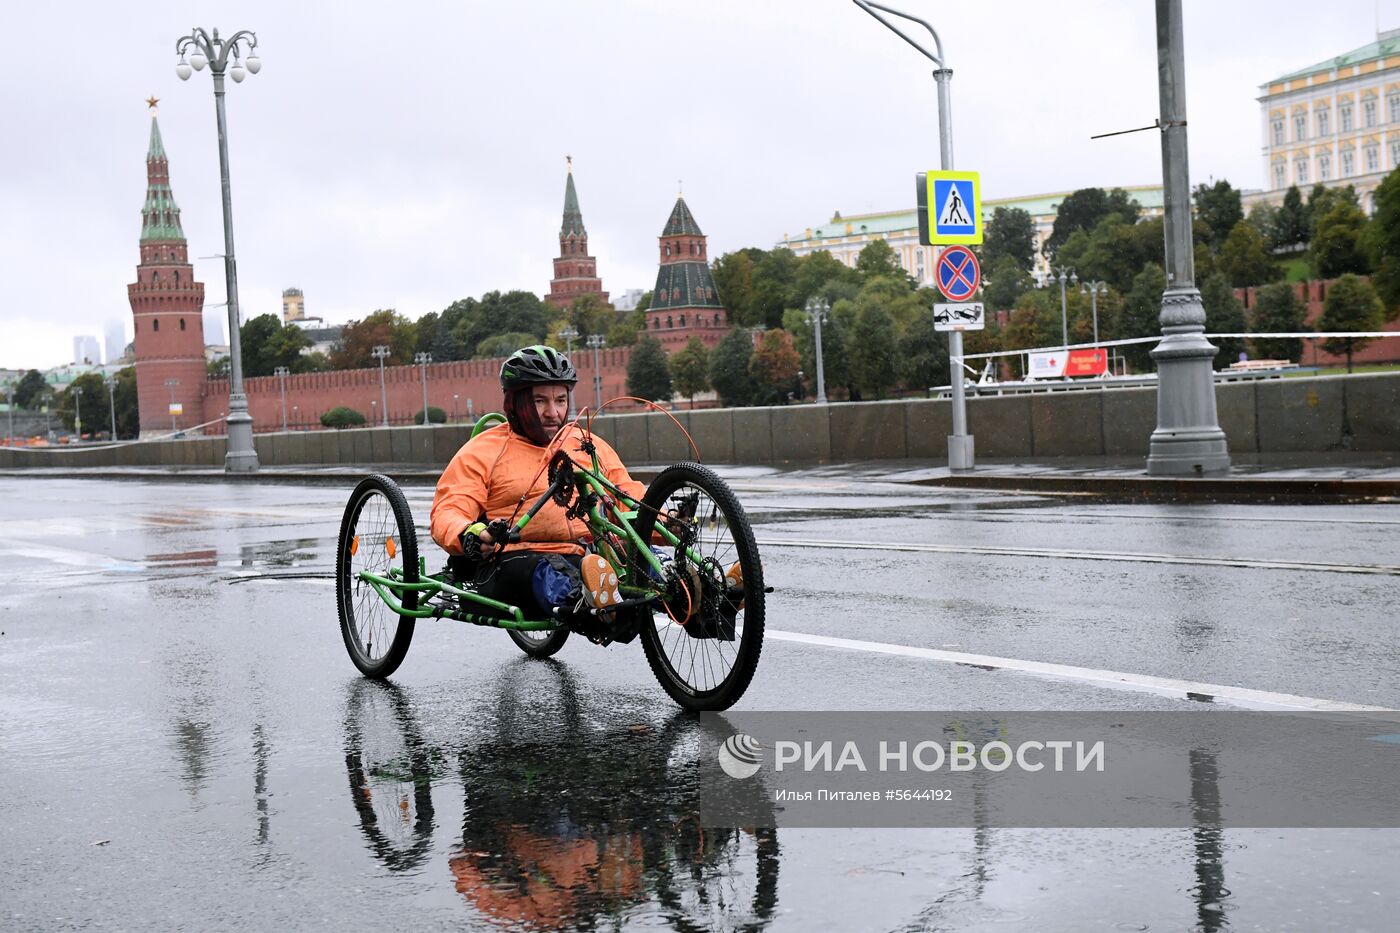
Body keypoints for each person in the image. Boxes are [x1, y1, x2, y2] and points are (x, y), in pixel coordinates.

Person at [430, 345, 640, 622]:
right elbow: (449, 510)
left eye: (561, 400)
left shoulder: (585, 444)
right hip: (513, 560)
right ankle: (591, 606)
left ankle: (704, 599)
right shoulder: (483, 451)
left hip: (586, 555)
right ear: (515, 403)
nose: (553, 412)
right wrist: (471, 534)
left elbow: (625, 496)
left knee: (646, 564)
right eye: (540, 401)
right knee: (548, 572)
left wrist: (662, 518)